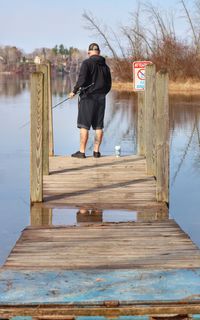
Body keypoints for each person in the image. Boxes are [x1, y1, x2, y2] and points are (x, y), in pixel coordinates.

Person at [69, 43, 112, 158]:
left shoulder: (87, 63)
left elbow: (82, 79)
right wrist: (102, 93)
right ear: (99, 52)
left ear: (89, 52)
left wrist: (74, 91)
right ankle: (96, 152)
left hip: (87, 98)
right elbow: (109, 85)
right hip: (101, 98)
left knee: (84, 126)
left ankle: (82, 152)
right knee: (99, 126)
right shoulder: (105, 66)